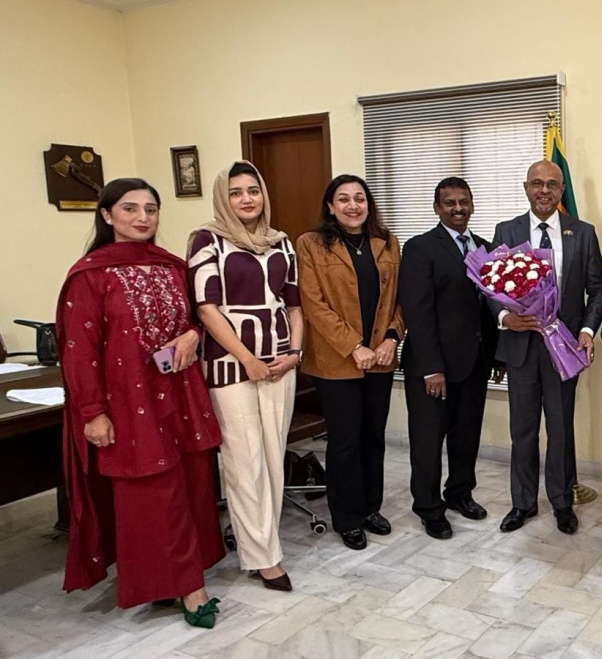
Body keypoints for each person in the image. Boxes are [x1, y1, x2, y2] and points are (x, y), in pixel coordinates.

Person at [58, 178, 225, 628]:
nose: (142, 217)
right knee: (153, 496)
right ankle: (190, 588)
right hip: (128, 403)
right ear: (107, 215)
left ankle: (177, 580)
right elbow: (78, 350)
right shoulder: (90, 275)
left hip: (180, 394)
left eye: (151, 209)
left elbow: (198, 318)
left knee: (191, 487)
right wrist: (93, 412)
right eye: (130, 208)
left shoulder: (173, 267)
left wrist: (192, 333)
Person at [188, 161, 302, 591]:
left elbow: (293, 305)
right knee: (244, 460)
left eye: (253, 190)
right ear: (224, 198)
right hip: (230, 365)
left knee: (273, 456)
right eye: (236, 192)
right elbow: (205, 308)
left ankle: (262, 543)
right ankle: (264, 558)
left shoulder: (281, 242)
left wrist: (294, 352)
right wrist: (247, 358)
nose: (246, 199)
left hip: (280, 363)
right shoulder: (207, 239)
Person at [490, 160, 602, 535]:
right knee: (522, 430)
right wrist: (505, 318)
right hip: (521, 347)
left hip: (564, 348)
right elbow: (489, 286)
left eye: (552, 184)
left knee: (560, 428)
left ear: (560, 190)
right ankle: (522, 503)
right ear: (526, 188)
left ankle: (561, 501)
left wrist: (588, 330)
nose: (544, 190)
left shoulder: (582, 233)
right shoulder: (506, 230)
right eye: (537, 183)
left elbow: (598, 289)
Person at [296, 174, 403, 551]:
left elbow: (397, 299)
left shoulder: (388, 242)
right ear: (330, 206)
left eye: (360, 198)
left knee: (374, 437)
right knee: (345, 442)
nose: (353, 205)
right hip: (335, 362)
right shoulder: (310, 244)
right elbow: (313, 304)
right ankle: (347, 517)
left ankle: (370, 508)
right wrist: (353, 345)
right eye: (343, 199)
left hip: (381, 359)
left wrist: (392, 337)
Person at [399, 177, 501, 540]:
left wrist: (498, 357)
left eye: (464, 202)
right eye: (449, 203)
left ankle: (460, 493)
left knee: (466, 435)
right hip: (433, 368)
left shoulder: (485, 248)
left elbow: (491, 307)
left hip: (474, 362)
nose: (458, 209)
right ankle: (428, 507)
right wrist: (431, 368)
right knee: (428, 440)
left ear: (472, 204)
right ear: (437, 207)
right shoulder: (419, 248)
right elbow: (417, 312)